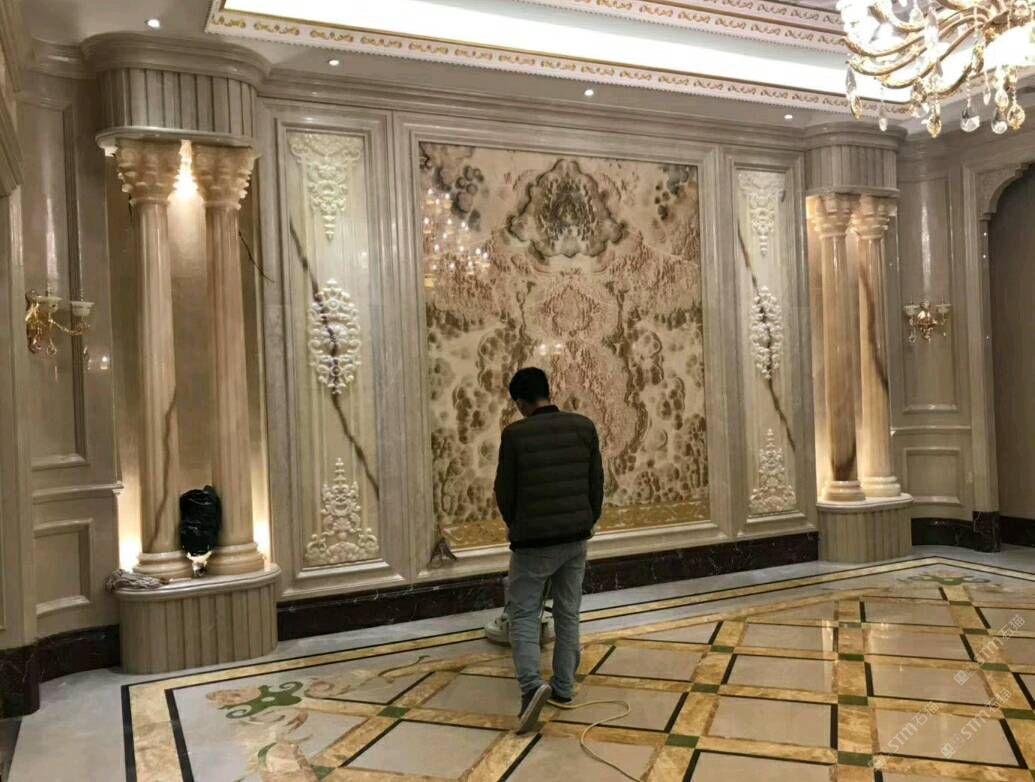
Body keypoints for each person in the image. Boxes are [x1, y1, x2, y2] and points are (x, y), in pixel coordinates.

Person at [494, 367, 604, 734]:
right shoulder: (583, 426)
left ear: (521, 402)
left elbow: (505, 492)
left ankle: (531, 688)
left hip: (533, 543)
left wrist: (517, 525)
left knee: (524, 613)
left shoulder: (515, 435)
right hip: (575, 537)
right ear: (547, 391)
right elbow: (596, 484)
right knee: (568, 612)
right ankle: (564, 687)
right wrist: (586, 520)